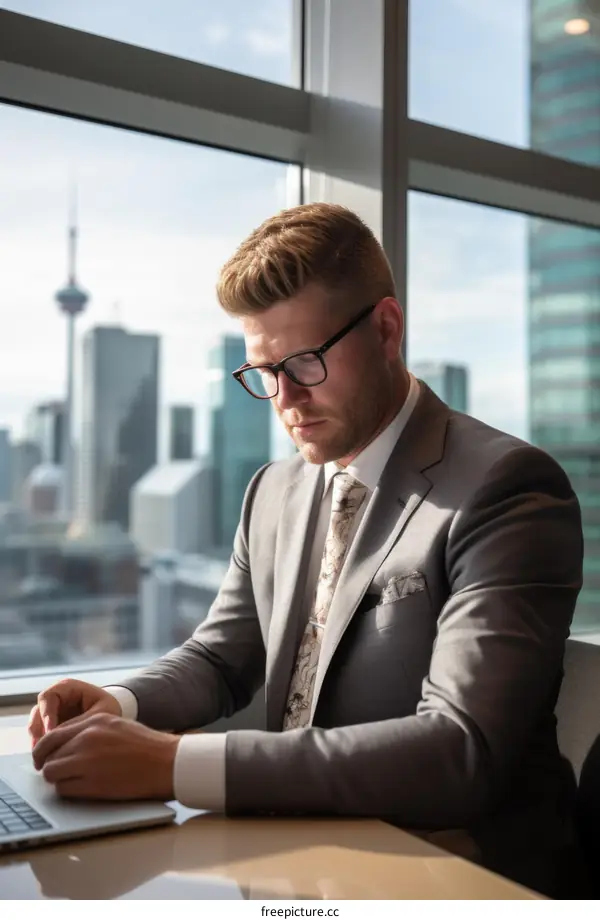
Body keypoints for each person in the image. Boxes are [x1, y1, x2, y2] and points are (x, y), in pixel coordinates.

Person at [29, 203, 584, 896]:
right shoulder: (273, 490)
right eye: (264, 371)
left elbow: (460, 748)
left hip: (461, 877)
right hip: (296, 865)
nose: (285, 399)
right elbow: (219, 658)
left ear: (387, 330)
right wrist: (117, 706)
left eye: (306, 362)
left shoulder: (505, 487)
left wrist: (171, 765)